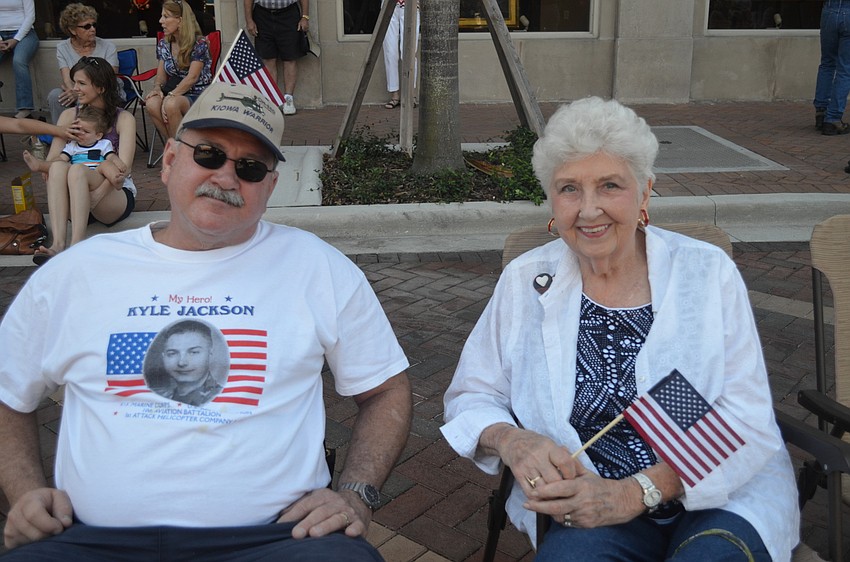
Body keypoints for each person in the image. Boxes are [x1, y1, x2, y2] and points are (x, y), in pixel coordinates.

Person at [0, 81, 412, 561]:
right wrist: (25, 491)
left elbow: (386, 389)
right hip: (92, 539)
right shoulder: (78, 271)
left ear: (271, 186)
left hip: (277, 541)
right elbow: (8, 394)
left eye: (251, 167)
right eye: (210, 155)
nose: (226, 177)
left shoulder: (318, 267)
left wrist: (357, 495)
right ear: (171, 160)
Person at [441, 97, 799, 561]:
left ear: (645, 193)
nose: (589, 210)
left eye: (609, 185)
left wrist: (637, 492)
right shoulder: (526, 282)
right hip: (590, 499)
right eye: (570, 188)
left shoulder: (706, 273)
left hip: (722, 494)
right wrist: (512, 439)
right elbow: (471, 393)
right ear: (552, 201)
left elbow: (745, 417)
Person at [35, 56, 137, 265]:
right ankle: (57, 244)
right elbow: (53, 160)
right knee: (58, 168)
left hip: (112, 195)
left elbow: (123, 169)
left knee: (77, 170)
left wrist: (98, 195)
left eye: (81, 83)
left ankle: (77, 246)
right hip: (76, 196)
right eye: (74, 83)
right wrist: (67, 138)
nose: (75, 89)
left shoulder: (123, 119)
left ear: (100, 87)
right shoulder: (68, 117)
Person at [144, 0, 212, 141]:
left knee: (171, 104)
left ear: (180, 20)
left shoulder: (199, 43)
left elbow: (192, 78)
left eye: (166, 16)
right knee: (151, 102)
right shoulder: (164, 43)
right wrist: (157, 88)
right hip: (174, 91)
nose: (160, 21)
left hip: (198, 94)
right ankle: (175, 145)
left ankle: (180, 149)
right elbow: (161, 76)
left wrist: (171, 95)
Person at [47, 3, 121, 125]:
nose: (92, 29)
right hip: (77, 89)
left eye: (94, 25)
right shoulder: (63, 48)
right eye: (87, 26)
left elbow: (109, 77)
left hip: (103, 90)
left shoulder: (108, 47)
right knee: (56, 96)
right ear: (72, 30)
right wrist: (76, 91)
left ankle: (93, 132)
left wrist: (81, 94)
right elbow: (67, 79)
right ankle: (63, 135)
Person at [23, 106, 122, 194]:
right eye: (78, 129)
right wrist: (53, 166)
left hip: (96, 177)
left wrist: (116, 161)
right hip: (76, 179)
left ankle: (116, 179)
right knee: (60, 164)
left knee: (106, 164)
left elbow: (111, 156)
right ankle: (40, 165)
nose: (80, 133)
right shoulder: (72, 145)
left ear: (98, 135)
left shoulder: (103, 144)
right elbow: (62, 158)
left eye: (86, 131)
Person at [244, 0, 310, 115]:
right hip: (262, 15)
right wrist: (249, 20)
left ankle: (288, 99)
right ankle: (272, 99)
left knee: (290, 58)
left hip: (288, 14)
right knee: (268, 59)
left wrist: (305, 17)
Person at [144, 320, 226, 407]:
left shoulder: (222, 397)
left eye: (194, 352)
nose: (182, 362)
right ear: (163, 356)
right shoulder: (155, 396)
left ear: (210, 353)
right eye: (172, 353)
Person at [813, 0, 850, 135]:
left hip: (829, 9)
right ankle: (833, 118)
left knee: (827, 63)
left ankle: (821, 111)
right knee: (845, 69)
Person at [0, 0, 38, 119]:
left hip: (25, 33)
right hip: (1, 35)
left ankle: (25, 109)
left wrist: (16, 39)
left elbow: (30, 16)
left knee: (19, 61)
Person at [382, 0, 418, 109]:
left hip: (411, 5)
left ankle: (411, 95)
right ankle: (395, 95)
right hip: (389, 6)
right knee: (390, 52)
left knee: (409, 52)